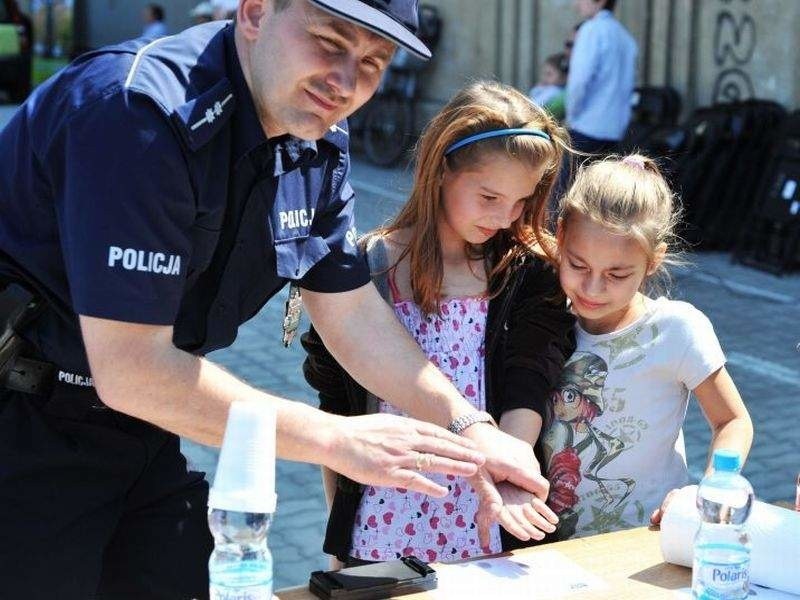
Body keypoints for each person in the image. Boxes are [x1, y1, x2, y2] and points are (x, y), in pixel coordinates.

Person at [0, 1, 548, 598]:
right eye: (328, 42)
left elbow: (346, 305)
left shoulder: (316, 134)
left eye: (372, 61)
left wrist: (469, 426)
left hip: (140, 429)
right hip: (23, 430)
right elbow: (132, 367)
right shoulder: (138, 114)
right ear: (256, 13)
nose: (344, 82)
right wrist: (335, 439)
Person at [302, 80, 576, 567]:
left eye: (521, 201)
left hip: (490, 521)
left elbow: (527, 383)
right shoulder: (362, 269)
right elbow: (338, 412)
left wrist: (511, 477)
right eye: (489, 196)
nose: (506, 217)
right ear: (442, 168)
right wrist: (341, 535)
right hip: (378, 527)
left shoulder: (526, 274)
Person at [542, 154, 753, 540]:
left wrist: (708, 491)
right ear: (560, 235)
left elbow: (733, 422)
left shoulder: (677, 329)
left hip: (650, 543)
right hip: (550, 550)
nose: (592, 288)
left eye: (616, 274)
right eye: (578, 265)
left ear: (653, 260)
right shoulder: (539, 321)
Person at [566, 0, 637, 155]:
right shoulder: (624, 36)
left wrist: (571, 115)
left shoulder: (591, 29)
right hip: (616, 131)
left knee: (570, 178)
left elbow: (579, 81)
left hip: (586, 127)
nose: (576, 4)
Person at [528, 52, 568, 121]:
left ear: (563, 77)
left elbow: (535, 105)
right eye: (544, 74)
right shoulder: (549, 89)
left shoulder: (554, 91)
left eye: (549, 74)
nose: (545, 78)